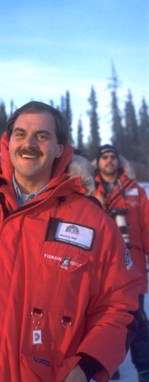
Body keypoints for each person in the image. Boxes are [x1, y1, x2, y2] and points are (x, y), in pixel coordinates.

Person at [0, 102, 141, 382]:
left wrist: (91, 362)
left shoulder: (93, 221)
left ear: (59, 148)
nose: (28, 143)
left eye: (42, 136)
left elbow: (120, 302)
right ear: (7, 143)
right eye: (20, 134)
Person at [94, 144, 149, 382]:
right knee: (102, 317)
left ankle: (144, 367)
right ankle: (107, 364)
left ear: (119, 161)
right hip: (101, 265)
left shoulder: (135, 191)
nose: (109, 161)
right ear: (98, 162)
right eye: (104, 157)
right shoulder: (87, 190)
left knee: (136, 317)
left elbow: (147, 227)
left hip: (133, 264)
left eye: (113, 157)